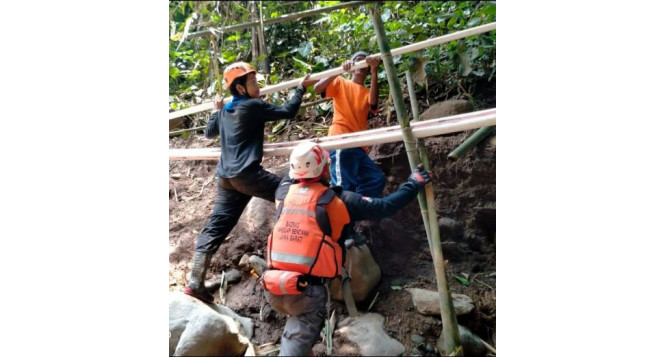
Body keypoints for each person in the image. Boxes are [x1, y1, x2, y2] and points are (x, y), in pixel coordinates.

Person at [261, 141, 432, 356]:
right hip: (306, 293)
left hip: (273, 286)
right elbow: (385, 207)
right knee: (296, 341)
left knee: (298, 333)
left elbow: (293, 173)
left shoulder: (282, 192)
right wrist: (413, 183)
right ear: (324, 168)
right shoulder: (340, 200)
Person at [184, 62, 317, 303]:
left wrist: (216, 109)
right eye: (253, 82)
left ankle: (195, 282)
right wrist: (301, 88)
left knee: (217, 226)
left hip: (226, 178)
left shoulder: (225, 111)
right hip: (247, 175)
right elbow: (288, 111)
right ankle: (294, 251)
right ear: (241, 88)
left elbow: (209, 132)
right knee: (289, 193)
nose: (258, 86)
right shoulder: (253, 106)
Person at [313, 51, 386, 198]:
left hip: (358, 144)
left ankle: (357, 212)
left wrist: (374, 70)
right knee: (343, 187)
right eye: (357, 61)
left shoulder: (367, 92)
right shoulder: (340, 82)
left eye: (364, 62)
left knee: (376, 179)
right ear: (351, 66)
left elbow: (373, 104)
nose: (361, 64)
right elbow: (317, 89)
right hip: (341, 141)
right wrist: (339, 70)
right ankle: (344, 218)